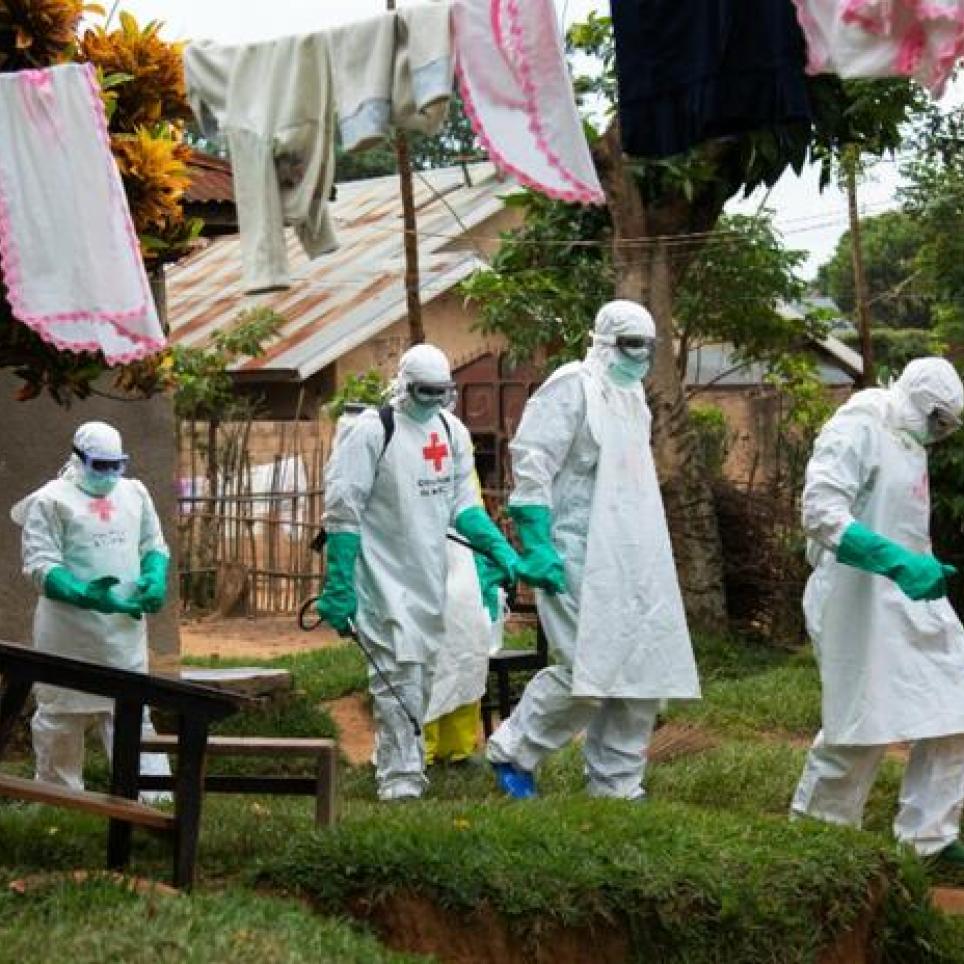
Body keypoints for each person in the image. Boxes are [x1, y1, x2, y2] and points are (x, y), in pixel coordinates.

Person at [486, 299, 701, 800]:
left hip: (633, 555)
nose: (641, 356)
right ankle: (513, 753)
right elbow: (533, 460)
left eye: (649, 347)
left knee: (642, 667)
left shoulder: (633, 398)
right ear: (605, 342)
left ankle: (617, 784)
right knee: (587, 667)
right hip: (574, 551)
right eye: (632, 345)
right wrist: (536, 543)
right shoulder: (572, 386)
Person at [316, 344, 527, 800]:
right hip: (381, 575)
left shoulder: (451, 432)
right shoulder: (374, 431)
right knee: (396, 676)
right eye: (425, 391)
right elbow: (343, 511)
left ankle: (409, 766)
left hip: (429, 575)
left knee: (424, 673)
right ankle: (399, 780)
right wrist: (338, 584)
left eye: (441, 392)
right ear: (404, 385)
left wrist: (497, 549)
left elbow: (463, 505)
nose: (433, 400)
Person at [791, 357, 964, 868]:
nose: (941, 434)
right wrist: (895, 561)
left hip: (908, 593)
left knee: (955, 701)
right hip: (852, 591)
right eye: (938, 421)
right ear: (914, 398)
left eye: (949, 427)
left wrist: (919, 565)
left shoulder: (910, 441)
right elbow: (819, 510)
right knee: (861, 718)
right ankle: (820, 835)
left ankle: (928, 837)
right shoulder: (859, 424)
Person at [12, 422, 172, 801]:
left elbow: (153, 543)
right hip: (68, 631)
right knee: (60, 715)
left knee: (133, 712)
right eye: (100, 465)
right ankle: (59, 800)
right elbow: (39, 564)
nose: (110, 474)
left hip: (123, 627)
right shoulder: (51, 501)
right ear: (78, 459)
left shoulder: (134, 493)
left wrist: (154, 576)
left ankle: (155, 800)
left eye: (117, 464)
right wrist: (86, 594)